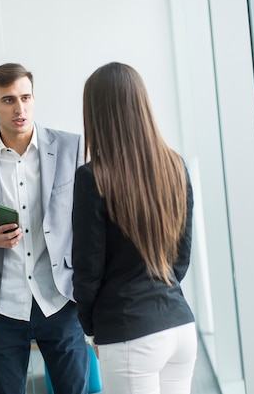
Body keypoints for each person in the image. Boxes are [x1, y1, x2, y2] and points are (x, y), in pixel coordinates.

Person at [0, 63, 89, 394]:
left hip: (60, 299)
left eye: (25, 97)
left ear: (34, 98)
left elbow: (90, 220)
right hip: (2, 307)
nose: (19, 108)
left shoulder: (72, 148)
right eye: (8, 100)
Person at [72, 62, 197, 394]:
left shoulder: (92, 177)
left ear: (96, 112)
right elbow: (181, 258)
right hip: (179, 325)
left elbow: (87, 269)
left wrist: (90, 328)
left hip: (129, 329)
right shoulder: (174, 165)